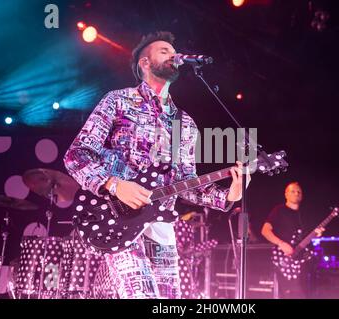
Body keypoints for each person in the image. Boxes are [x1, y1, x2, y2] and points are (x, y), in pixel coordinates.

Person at [64, 31, 249, 299]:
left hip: (160, 226)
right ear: (145, 63)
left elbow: (185, 184)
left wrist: (229, 194)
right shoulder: (119, 100)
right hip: (117, 216)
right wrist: (114, 184)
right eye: (164, 50)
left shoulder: (184, 124)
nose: (173, 55)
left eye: (173, 51)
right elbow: (76, 155)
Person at [261, 182, 323, 299]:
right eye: (293, 191)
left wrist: (317, 235)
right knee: (293, 294)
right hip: (285, 260)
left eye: (299, 192)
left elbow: (307, 237)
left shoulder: (305, 214)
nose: (297, 193)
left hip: (303, 260)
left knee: (306, 293)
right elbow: (265, 231)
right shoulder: (279, 210)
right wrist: (281, 243)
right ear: (286, 194)